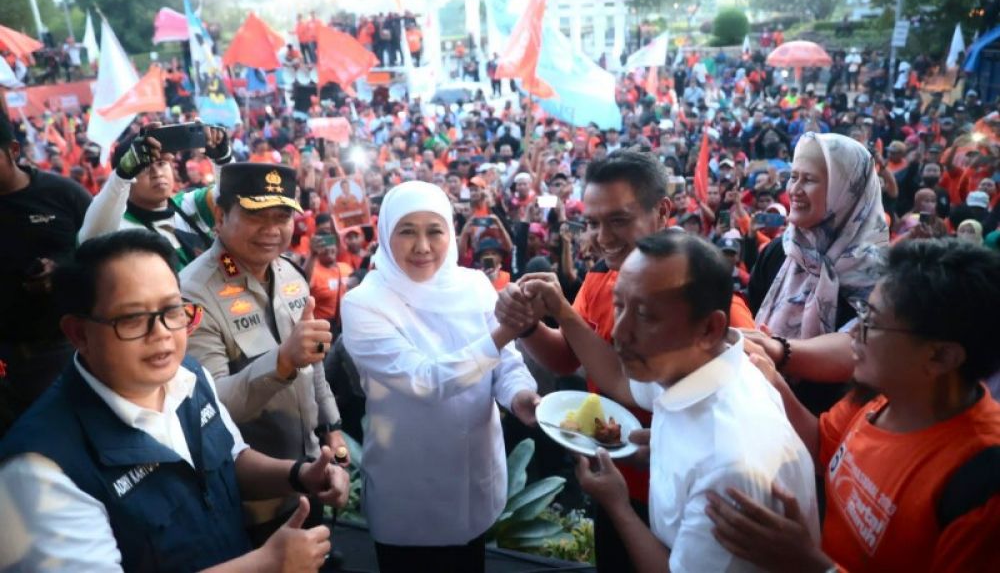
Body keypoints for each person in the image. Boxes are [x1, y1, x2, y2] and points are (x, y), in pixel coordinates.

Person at [0, 230, 350, 571]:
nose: (163, 334)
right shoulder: (40, 470)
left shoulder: (188, 374)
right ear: (78, 333)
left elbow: (230, 459)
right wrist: (263, 565)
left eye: (172, 311)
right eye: (133, 318)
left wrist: (299, 475)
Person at [495, 150, 756, 572]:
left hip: (683, 496)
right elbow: (567, 357)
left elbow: (748, 397)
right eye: (593, 222)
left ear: (662, 212)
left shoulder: (707, 303)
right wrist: (528, 326)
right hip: (613, 482)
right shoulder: (599, 276)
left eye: (619, 220)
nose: (602, 236)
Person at [707, 239, 1000, 571]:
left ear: (941, 356)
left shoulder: (983, 484)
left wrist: (808, 563)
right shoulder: (883, 397)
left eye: (872, 322)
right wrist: (771, 378)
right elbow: (822, 445)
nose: (855, 334)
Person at [560, 231, 818, 571]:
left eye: (646, 316)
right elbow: (620, 381)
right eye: (619, 305)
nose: (619, 333)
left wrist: (617, 504)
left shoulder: (728, 469)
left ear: (710, 329)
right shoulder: (700, 364)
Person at [340, 181, 540, 573]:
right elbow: (424, 381)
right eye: (407, 231)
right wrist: (504, 332)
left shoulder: (474, 285)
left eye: (434, 230)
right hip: (409, 489)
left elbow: (506, 363)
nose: (422, 246)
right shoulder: (364, 303)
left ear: (451, 232)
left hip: (474, 478)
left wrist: (521, 396)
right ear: (385, 233)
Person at [180, 163, 347, 544]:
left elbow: (314, 362)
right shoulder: (193, 293)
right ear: (220, 216)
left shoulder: (289, 274)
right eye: (257, 215)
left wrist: (332, 429)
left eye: (283, 215)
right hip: (248, 501)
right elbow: (209, 408)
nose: (272, 229)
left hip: (307, 475)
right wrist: (281, 362)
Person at [746, 132, 889, 414]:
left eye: (809, 179)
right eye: (793, 176)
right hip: (760, 415)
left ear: (845, 190)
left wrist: (777, 351)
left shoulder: (883, 276)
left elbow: (863, 348)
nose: (795, 189)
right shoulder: (779, 252)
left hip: (835, 432)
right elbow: (751, 322)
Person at [0, 103, 92, 431]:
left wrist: (62, 272)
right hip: (8, 361)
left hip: (70, 349)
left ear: (12, 150)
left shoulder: (62, 194)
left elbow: (104, 252)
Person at [78, 124, 233, 269]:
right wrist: (121, 175)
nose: (157, 174)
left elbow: (233, 198)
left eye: (161, 163)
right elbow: (90, 239)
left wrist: (223, 159)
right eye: (144, 168)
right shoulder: (119, 226)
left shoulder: (189, 204)